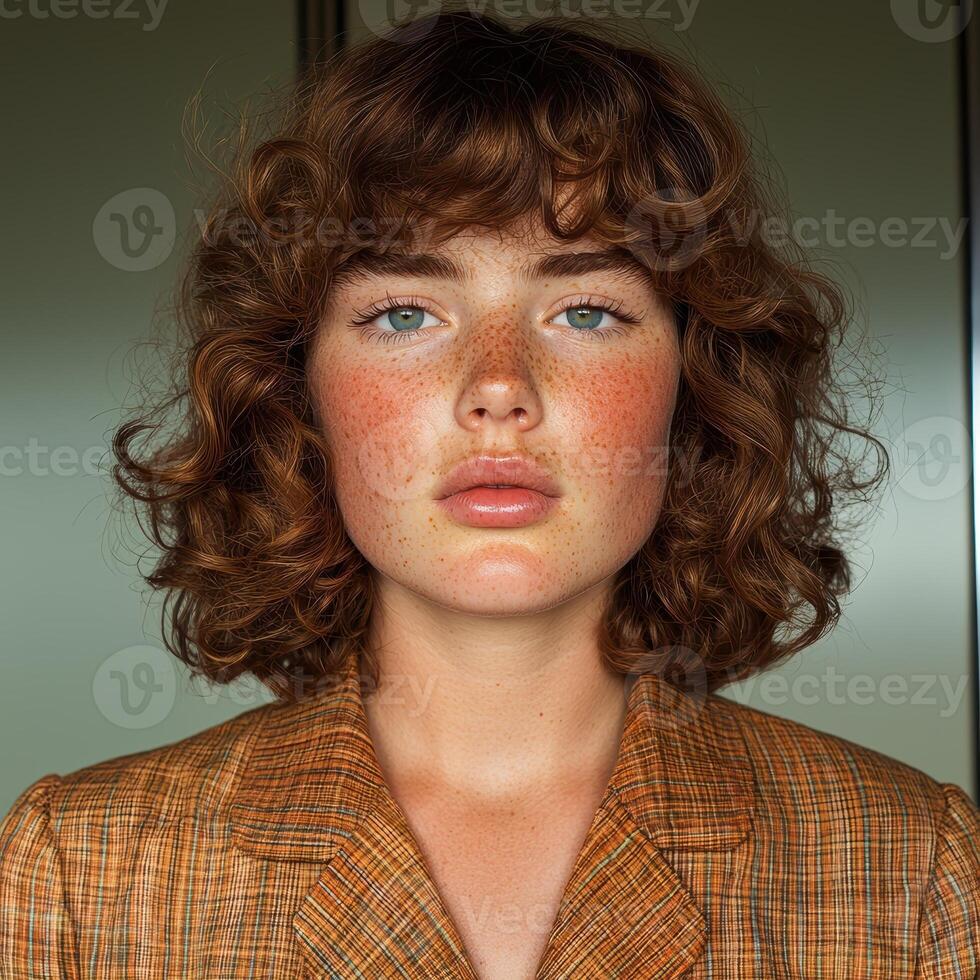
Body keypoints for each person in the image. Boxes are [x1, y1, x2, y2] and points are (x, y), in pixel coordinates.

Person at [1, 8, 977, 978]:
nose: (498, 386)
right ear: (300, 391)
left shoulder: (914, 862)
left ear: (695, 385)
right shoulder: (81, 870)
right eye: (406, 312)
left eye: (585, 310)